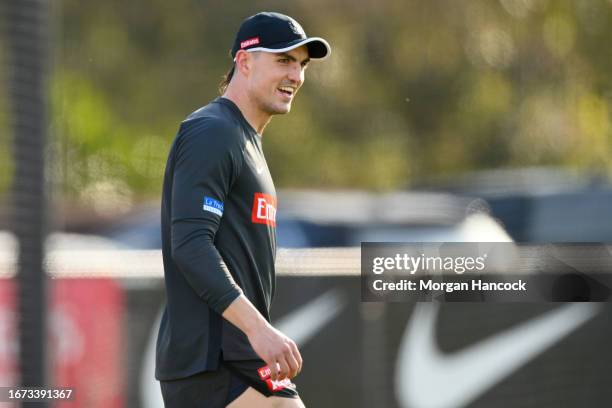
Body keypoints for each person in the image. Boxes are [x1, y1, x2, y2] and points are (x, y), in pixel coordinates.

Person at [155, 12, 330, 408]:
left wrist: (257, 334)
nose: (297, 76)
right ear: (245, 61)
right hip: (214, 362)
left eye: (302, 65)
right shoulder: (212, 130)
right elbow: (192, 245)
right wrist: (259, 331)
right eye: (284, 60)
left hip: (238, 358)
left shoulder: (244, 139)